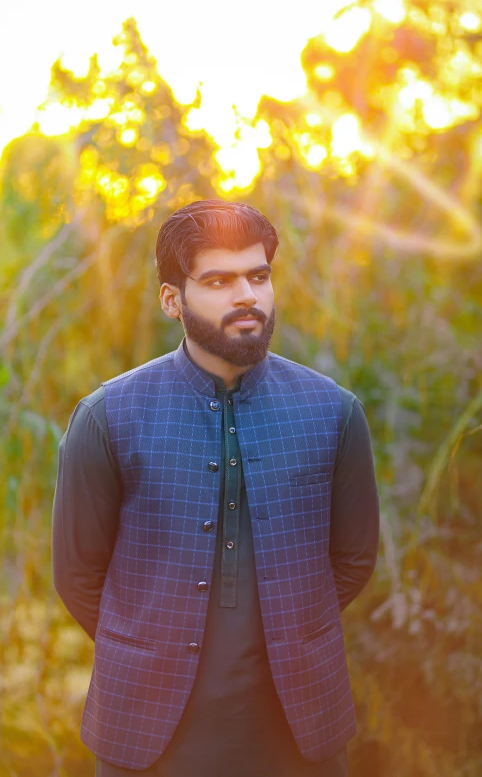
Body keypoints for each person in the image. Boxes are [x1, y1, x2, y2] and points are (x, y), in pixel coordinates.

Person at [52, 199, 380, 777]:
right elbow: (78, 574)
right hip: (147, 734)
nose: (247, 296)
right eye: (219, 280)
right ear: (172, 299)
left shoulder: (333, 412)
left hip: (300, 732)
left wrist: (290, 625)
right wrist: (148, 640)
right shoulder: (109, 416)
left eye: (258, 275)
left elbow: (353, 560)